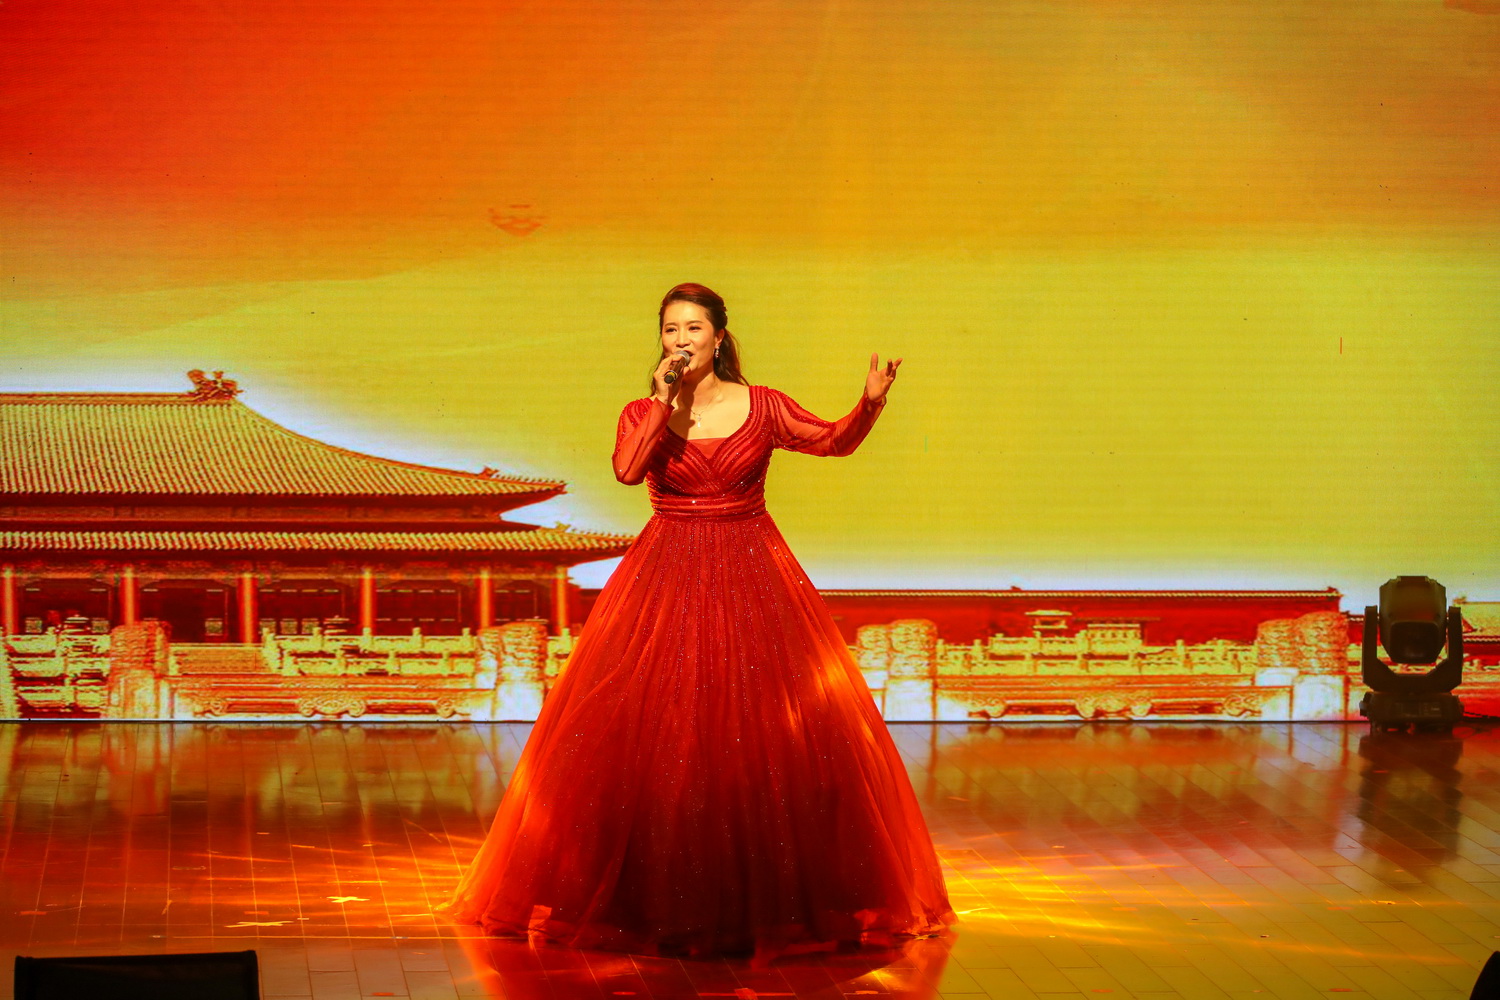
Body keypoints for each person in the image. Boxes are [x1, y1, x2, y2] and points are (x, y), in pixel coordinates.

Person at [437, 283, 955, 966]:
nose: (681, 340)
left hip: (751, 568)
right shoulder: (641, 410)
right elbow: (627, 471)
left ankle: (772, 903)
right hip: (667, 571)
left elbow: (833, 442)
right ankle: (644, 900)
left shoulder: (763, 404)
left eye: (693, 328)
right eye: (671, 329)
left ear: (719, 337)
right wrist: (662, 401)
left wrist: (870, 402)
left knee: (763, 732)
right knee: (658, 730)